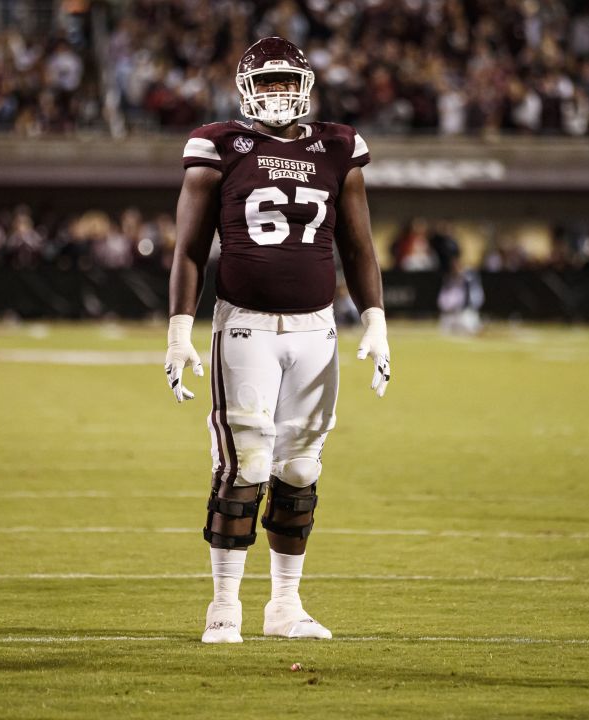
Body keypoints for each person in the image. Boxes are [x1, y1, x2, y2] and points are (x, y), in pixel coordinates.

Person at [164, 37, 390, 644]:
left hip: (317, 328)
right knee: (245, 462)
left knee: (300, 465)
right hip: (245, 324)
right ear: (245, 88)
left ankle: (285, 605)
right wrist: (179, 329)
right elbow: (188, 249)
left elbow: (359, 245)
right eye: (266, 82)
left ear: (308, 85)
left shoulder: (338, 145)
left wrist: (375, 319)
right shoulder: (219, 144)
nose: (278, 92)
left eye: (287, 81)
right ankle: (224, 606)